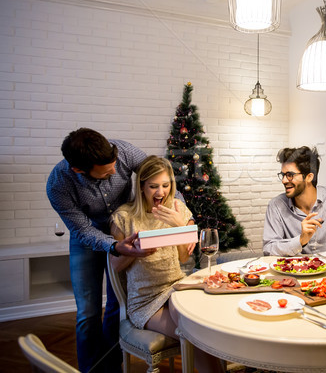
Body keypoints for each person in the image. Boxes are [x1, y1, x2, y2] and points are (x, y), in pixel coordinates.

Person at [47, 128, 155, 372]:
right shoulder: (58, 185)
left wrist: (183, 211)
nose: (116, 172)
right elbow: (83, 230)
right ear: (78, 170)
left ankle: (111, 364)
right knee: (88, 311)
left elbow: (158, 173)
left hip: (123, 231)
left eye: (114, 165)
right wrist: (115, 246)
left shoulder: (124, 151)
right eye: (106, 173)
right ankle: (90, 369)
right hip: (86, 240)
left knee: (117, 304)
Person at [109, 156, 223, 373]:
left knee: (203, 330)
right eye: (153, 186)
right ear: (141, 186)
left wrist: (180, 226)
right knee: (194, 336)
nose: (160, 192)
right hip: (146, 300)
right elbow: (115, 266)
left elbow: (182, 259)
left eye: (165, 185)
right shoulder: (124, 217)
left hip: (176, 288)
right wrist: (136, 252)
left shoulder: (177, 210)